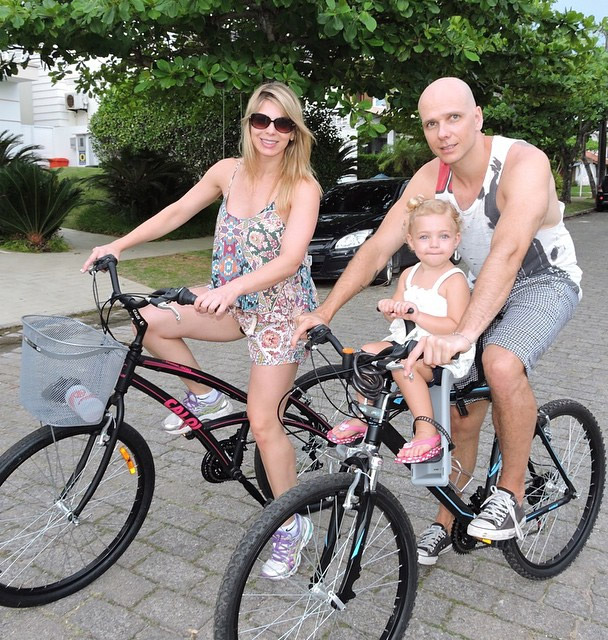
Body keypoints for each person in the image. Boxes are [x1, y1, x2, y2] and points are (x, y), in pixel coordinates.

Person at [293, 76, 582, 566]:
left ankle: (508, 496)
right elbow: (379, 247)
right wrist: (325, 309)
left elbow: (509, 250)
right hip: (475, 287)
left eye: (453, 117)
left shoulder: (521, 163)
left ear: (477, 117)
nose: (443, 132)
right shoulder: (431, 178)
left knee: (501, 363)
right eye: (431, 123)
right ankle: (450, 520)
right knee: (457, 412)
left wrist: (468, 333)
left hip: (542, 281)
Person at [82, 81, 321, 579]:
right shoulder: (227, 173)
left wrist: (233, 289)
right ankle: (204, 399)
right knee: (146, 317)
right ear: (248, 123)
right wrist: (118, 245)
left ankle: (292, 523)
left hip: (280, 313)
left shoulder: (303, 187)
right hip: (228, 304)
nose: (270, 132)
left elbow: (291, 259)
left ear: (294, 131)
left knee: (263, 421)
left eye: (281, 123)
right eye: (261, 120)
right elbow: (176, 212)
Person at [327, 196, 473, 465]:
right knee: (366, 355)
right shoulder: (408, 274)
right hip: (406, 341)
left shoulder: (454, 280)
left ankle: (427, 431)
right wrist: (389, 307)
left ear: (456, 240)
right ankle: (364, 415)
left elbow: (456, 325)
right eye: (425, 237)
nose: (433, 244)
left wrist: (417, 314)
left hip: (440, 350)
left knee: (403, 367)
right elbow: (396, 312)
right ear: (411, 241)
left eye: (443, 236)